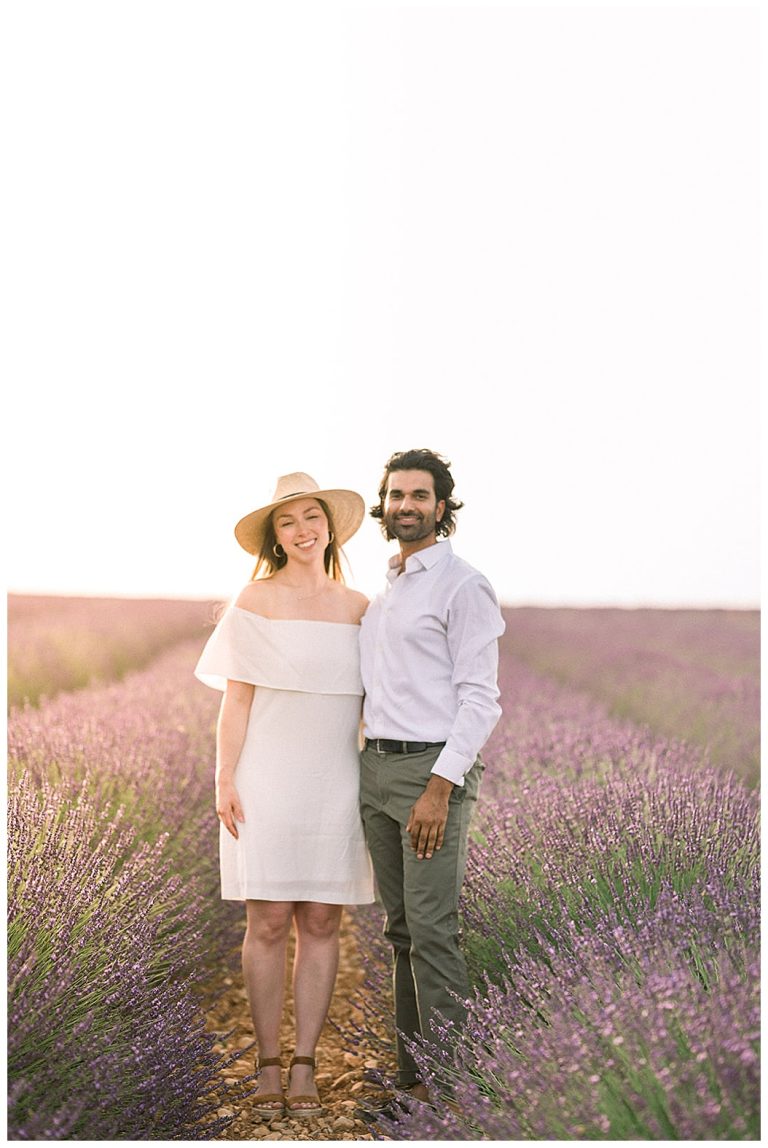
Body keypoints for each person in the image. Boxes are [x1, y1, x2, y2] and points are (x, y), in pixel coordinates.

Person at [194, 472, 375, 1121]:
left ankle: (307, 1064)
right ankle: (268, 1062)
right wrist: (224, 778)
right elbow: (236, 701)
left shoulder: (359, 607)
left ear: (330, 525)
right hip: (265, 775)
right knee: (268, 920)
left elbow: (375, 701)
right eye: (288, 522)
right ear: (275, 537)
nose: (302, 531)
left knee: (323, 921)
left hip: (337, 778)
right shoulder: (255, 598)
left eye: (311, 518)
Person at [358, 448, 505, 1112]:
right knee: (401, 932)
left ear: (442, 507)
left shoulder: (462, 585)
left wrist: (440, 788)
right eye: (396, 495)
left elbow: (481, 700)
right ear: (383, 504)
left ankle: (449, 1094)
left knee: (433, 930)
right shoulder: (388, 588)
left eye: (420, 495)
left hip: (429, 772)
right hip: (378, 769)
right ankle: (411, 1082)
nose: (406, 506)